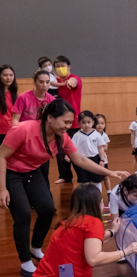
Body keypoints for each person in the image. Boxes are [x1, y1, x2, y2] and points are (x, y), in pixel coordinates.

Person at [0, 99, 128, 277]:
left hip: (32, 171)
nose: (69, 126)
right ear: (50, 118)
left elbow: (81, 160)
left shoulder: (62, 137)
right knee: (23, 214)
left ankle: (35, 248)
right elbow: (1, 156)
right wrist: (2, 189)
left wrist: (110, 172)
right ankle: (25, 261)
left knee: (46, 209)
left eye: (70, 122)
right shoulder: (24, 129)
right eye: (66, 122)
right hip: (11, 173)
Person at [15, 184, 137, 277]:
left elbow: (90, 241)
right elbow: (93, 258)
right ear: (98, 204)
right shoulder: (93, 223)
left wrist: (112, 231)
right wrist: (126, 251)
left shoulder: (67, 222)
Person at [53, 55, 82, 184]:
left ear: (69, 67)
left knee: (74, 150)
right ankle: (65, 176)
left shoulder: (75, 79)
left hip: (73, 123)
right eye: (57, 66)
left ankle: (82, 176)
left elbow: (74, 82)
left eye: (62, 66)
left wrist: (69, 82)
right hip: (58, 122)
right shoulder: (56, 82)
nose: (60, 68)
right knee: (59, 150)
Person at [71, 111, 105, 192]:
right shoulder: (76, 136)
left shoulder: (97, 134)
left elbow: (101, 148)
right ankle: (85, 200)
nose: (86, 125)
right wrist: (68, 156)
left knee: (96, 180)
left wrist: (102, 160)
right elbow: (72, 148)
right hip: (82, 161)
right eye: (83, 122)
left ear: (93, 122)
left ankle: (98, 198)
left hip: (95, 159)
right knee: (84, 182)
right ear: (78, 123)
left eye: (89, 122)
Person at [94, 114, 112, 197]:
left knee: (106, 176)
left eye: (102, 123)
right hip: (94, 159)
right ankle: (97, 194)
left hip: (103, 159)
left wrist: (100, 147)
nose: (100, 125)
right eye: (98, 123)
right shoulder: (92, 134)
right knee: (96, 178)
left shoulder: (104, 135)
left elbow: (106, 148)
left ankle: (109, 192)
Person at [0, 65, 18, 145]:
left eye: (11, 75)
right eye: (5, 75)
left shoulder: (16, 95)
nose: (8, 78)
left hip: (12, 130)